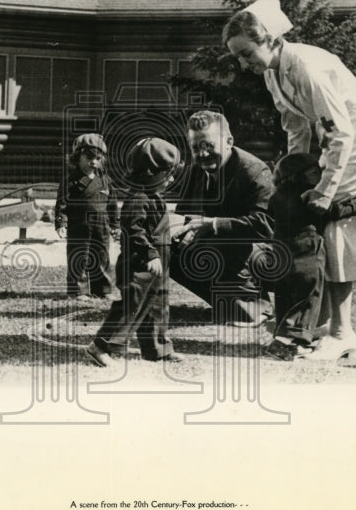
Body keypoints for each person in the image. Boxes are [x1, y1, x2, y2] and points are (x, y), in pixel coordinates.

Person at [223, 0, 356, 361]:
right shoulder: (273, 72)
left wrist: (325, 188)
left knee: (334, 222)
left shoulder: (305, 65)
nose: (243, 64)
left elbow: (340, 132)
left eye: (246, 53)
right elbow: (295, 124)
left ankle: (342, 333)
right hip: (343, 141)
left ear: (268, 39)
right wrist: (293, 169)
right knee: (319, 217)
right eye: (237, 57)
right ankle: (325, 321)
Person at [169, 110, 275, 326]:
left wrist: (214, 224)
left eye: (208, 145)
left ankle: (258, 305)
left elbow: (265, 227)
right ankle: (230, 303)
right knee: (166, 249)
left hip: (267, 255)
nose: (203, 154)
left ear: (229, 141)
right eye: (196, 147)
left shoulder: (255, 171)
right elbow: (185, 216)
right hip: (224, 249)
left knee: (219, 240)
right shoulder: (195, 170)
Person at [86, 137, 183, 367]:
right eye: (167, 173)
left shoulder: (153, 197)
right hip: (139, 262)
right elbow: (134, 230)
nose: (171, 179)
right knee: (132, 303)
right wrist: (151, 254)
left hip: (157, 264)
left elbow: (154, 228)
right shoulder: (138, 199)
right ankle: (100, 346)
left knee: (158, 304)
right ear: (150, 173)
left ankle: (156, 348)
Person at [266, 152, 356, 361]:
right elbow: (332, 212)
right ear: (298, 176)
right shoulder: (307, 197)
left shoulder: (277, 196)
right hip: (306, 252)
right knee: (306, 297)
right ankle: (286, 345)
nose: (321, 175)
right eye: (314, 172)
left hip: (282, 251)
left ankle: (282, 337)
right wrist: (355, 204)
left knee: (286, 298)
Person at [54, 133, 119, 302]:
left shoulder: (105, 180)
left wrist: (115, 224)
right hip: (79, 224)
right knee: (79, 256)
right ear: (78, 156)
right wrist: (61, 222)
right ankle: (77, 290)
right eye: (89, 157)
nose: (93, 162)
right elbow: (62, 202)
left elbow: (112, 203)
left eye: (98, 158)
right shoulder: (71, 180)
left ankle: (103, 289)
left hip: (101, 225)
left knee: (102, 256)